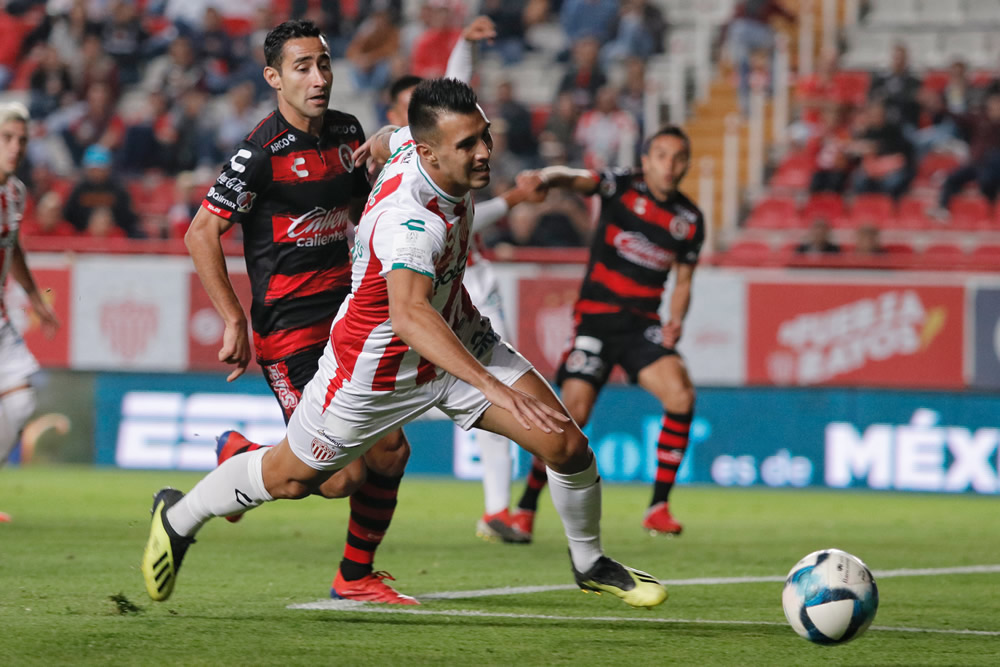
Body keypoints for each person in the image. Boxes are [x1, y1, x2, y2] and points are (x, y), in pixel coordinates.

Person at [142, 78, 667, 610]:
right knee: (294, 478)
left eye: (484, 136)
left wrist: (382, 138)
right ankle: (179, 517)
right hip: (373, 373)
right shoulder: (409, 221)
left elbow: (392, 136)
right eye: (468, 145)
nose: (484, 152)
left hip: (459, 339)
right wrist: (491, 386)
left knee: (566, 444)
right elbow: (410, 314)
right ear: (431, 153)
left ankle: (589, 562)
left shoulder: (414, 148)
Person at [182, 20, 414, 605]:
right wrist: (234, 319)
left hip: (348, 325)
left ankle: (355, 576)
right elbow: (201, 232)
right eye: (302, 67)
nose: (318, 78)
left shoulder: (347, 131)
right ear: (274, 78)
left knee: (391, 449)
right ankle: (240, 456)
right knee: (339, 478)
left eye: (324, 64)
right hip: (290, 334)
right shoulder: (259, 152)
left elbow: (366, 210)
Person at [380, 17, 545, 543]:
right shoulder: (394, 164)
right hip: (411, 293)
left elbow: (458, 91)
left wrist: (465, 47)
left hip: (471, 283)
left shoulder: (451, 147)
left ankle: (497, 509)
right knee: (387, 404)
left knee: (493, 387)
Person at [510, 126, 704, 538]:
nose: (670, 166)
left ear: (687, 164)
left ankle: (658, 507)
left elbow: (684, 280)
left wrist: (676, 319)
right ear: (647, 159)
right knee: (571, 417)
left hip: (642, 329)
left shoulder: (689, 220)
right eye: (662, 156)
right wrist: (547, 177)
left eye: (678, 158)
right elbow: (577, 177)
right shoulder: (622, 185)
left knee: (681, 394)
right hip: (596, 322)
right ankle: (525, 509)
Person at [0, 102, 61, 523]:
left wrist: (36, 298)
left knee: (21, 401)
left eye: (22, 140)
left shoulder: (15, 192)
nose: (16, 147)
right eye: (7, 138)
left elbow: (13, 246)